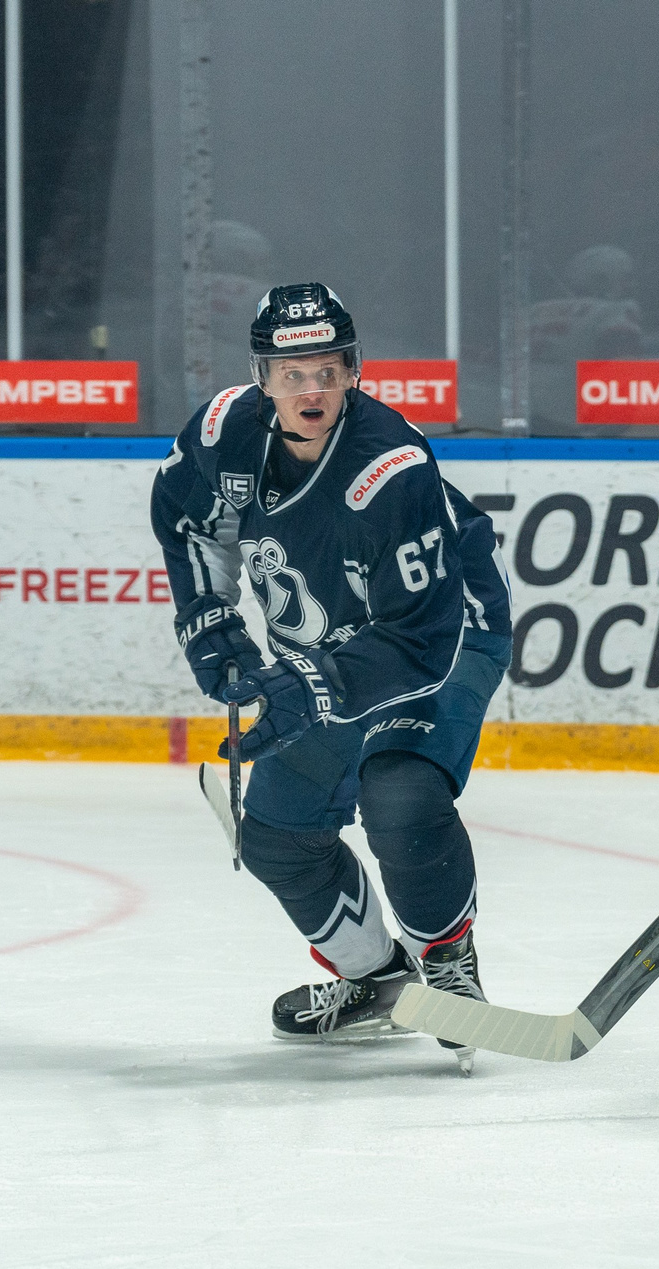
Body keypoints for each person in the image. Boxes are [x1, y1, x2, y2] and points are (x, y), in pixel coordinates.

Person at [150, 283, 511, 1069]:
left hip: (445, 638)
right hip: (330, 653)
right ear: (262, 377)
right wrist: (209, 622)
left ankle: (447, 961)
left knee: (399, 790)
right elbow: (188, 524)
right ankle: (375, 979)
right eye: (291, 373)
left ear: (353, 371)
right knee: (275, 835)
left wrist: (307, 683)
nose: (310, 389)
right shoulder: (221, 434)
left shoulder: (391, 466)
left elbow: (419, 639)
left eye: (327, 369)